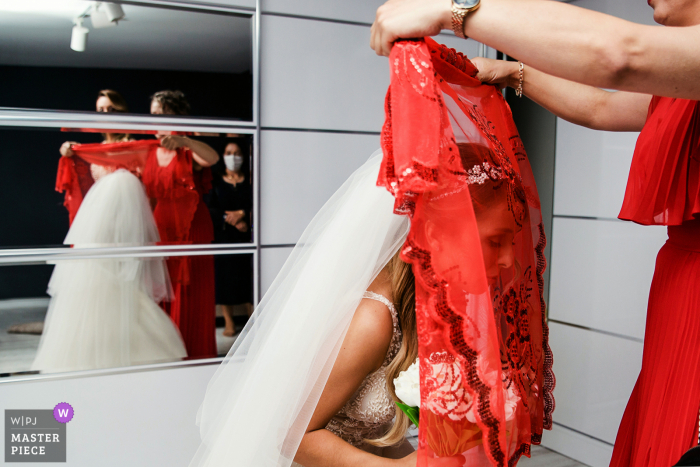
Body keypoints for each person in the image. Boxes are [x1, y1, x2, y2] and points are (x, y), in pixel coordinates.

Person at [190, 39, 550, 467]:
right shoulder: (374, 318)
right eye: (494, 243)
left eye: (510, 242)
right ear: (440, 235)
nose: (510, 261)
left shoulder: (449, 300)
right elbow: (290, 434)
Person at [371, 0, 700, 465]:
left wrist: (453, 11)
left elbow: (624, 55)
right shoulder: (683, 77)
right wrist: (507, 74)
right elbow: (603, 104)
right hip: (681, 283)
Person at [37, 141, 188, 373]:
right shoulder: (115, 181)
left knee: (109, 309)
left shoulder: (119, 182)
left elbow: (119, 228)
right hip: (99, 255)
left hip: (104, 256)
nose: (94, 167)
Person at [143, 90, 220, 359]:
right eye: (153, 114)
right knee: (162, 293)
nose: (157, 120)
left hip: (191, 229)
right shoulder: (149, 152)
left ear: (178, 117)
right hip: (161, 230)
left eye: (163, 114)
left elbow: (212, 159)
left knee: (190, 295)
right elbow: (149, 197)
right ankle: (166, 353)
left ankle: (195, 354)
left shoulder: (189, 149)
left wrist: (184, 140)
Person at [207, 141, 253, 337]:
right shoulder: (215, 181)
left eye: (237, 152)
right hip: (224, 236)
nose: (233, 157)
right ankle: (229, 322)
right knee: (224, 280)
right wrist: (230, 219)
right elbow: (210, 208)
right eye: (228, 152)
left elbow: (258, 202)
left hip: (247, 237)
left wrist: (243, 215)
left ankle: (255, 320)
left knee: (248, 279)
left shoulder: (251, 180)